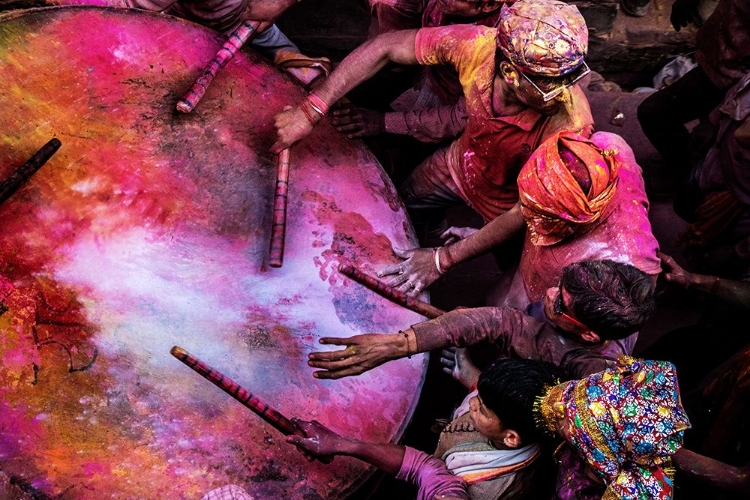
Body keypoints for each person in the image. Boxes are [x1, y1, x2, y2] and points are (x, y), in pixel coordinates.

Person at [273, 0, 594, 230]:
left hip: (510, 202)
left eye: (569, 78)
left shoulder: (573, 125)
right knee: (403, 206)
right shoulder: (476, 47)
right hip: (457, 164)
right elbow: (385, 46)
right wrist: (311, 110)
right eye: (549, 84)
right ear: (508, 71)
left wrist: (446, 260)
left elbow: (528, 207)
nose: (568, 91)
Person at [380, 131, 660, 306]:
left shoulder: (622, 270)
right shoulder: (606, 147)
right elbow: (521, 212)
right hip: (534, 268)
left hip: (551, 298)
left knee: (510, 315)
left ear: (574, 222)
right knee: (499, 299)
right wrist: (448, 257)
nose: (526, 216)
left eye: (539, 215)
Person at [307, 259, 655, 381]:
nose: (548, 294)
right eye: (558, 285)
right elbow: (492, 322)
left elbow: (501, 324)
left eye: (561, 303)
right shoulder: (571, 318)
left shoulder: (589, 378)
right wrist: (398, 344)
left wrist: (475, 384)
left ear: (591, 336)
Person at [287, 359, 560, 500]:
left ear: (511, 438)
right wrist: (344, 445)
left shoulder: (488, 491)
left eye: (483, 409)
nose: (473, 405)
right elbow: (425, 469)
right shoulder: (526, 423)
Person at [334, 0, 507, 144]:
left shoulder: (495, 53)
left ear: (488, 5)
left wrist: (382, 123)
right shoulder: (449, 7)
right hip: (428, 73)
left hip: (449, 98)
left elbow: (460, 118)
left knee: (401, 146)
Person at [48, 0, 330, 86]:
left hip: (247, 29)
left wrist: (268, 14)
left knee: (310, 77)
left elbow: (267, 10)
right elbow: (122, 6)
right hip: (178, 24)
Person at [637, 0, 750, 196]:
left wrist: (722, 116)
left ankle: (685, 175)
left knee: (654, 112)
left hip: (733, 78)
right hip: (719, 58)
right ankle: (685, 163)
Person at [537, 356, 691, 500]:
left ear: (600, 452)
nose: (557, 409)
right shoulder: (581, 456)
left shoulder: (608, 492)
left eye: (570, 425)